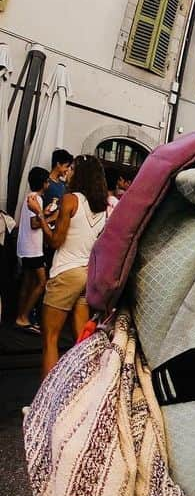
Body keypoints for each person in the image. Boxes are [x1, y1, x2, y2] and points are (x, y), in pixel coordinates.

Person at [40, 155, 108, 378]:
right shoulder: (102, 207)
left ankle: (43, 401)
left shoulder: (70, 199)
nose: (68, 173)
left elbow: (55, 241)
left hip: (66, 272)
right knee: (81, 341)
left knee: (50, 338)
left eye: (72, 169)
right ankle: (84, 391)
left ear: (81, 173)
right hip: (85, 273)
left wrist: (40, 217)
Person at [13, 167, 50, 334]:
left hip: (25, 247)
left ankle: (20, 316)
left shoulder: (30, 197)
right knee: (42, 283)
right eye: (47, 181)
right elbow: (35, 224)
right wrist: (52, 216)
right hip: (33, 249)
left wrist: (45, 212)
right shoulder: (36, 199)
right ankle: (24, 317)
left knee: (27, 283)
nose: (49, 184)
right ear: (43, 183)